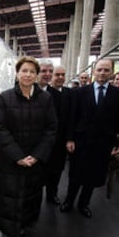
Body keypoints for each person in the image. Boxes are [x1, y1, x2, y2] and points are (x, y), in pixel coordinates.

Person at [0, 56, 57, 237]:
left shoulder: (45, 99)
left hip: (34, 163)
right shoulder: (5, 98)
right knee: (9, 202)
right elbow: (0, 129)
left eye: (32, 71)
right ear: (17, 73)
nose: (28, 74)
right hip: (11, 163)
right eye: (24, 71)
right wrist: (18, 156)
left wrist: (37, 156)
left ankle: (22, 227)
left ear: (37, 75)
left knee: (30, 199)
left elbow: (51, 129)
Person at [60, 59, 119, 218]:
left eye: (106, 70)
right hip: (80, 142)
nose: (102, 73)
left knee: (93, 176)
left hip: (103, 143)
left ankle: (84, 204)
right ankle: (69, 200)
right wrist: (69, 139)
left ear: (111, 72)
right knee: (75, 174)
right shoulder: (79, 92)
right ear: (94, 72)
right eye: (100, 69)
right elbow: (72, 118)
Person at [45, 65, 71, 205]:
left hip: (61, 141)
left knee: (57, 170)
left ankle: (52, 194)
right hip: (45, 141)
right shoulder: (44, 93)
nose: (60, 77)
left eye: (63, 74)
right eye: (57, 74)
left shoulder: (69, 93)